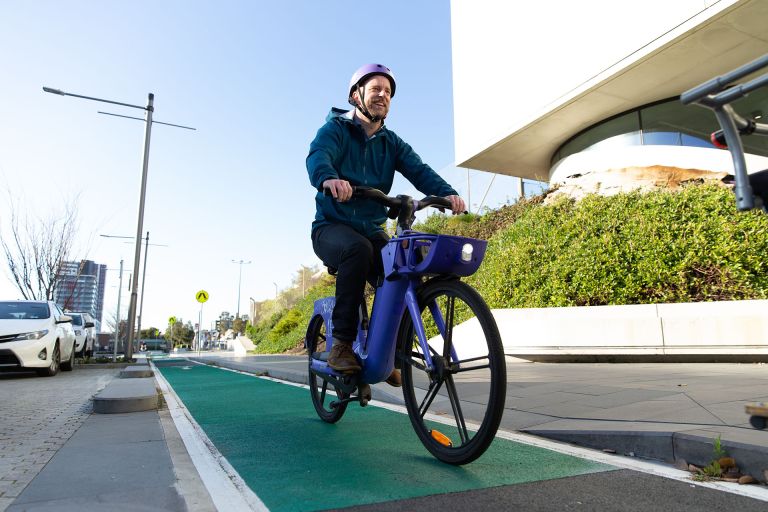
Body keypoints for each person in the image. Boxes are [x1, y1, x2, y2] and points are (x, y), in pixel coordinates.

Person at [306, 63, 466, 385]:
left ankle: (387, 352)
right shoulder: (335, 130)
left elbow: (419, 170)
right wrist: (330, 179)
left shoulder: (391, 143)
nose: (383, 95)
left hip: (371, 227)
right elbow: (318, 156)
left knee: (398, 268)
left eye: (388, 92)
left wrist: (447, 194)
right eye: (376, 88)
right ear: (356, 95)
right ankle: (341, 346)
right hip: (331, 227)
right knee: (358, 250)